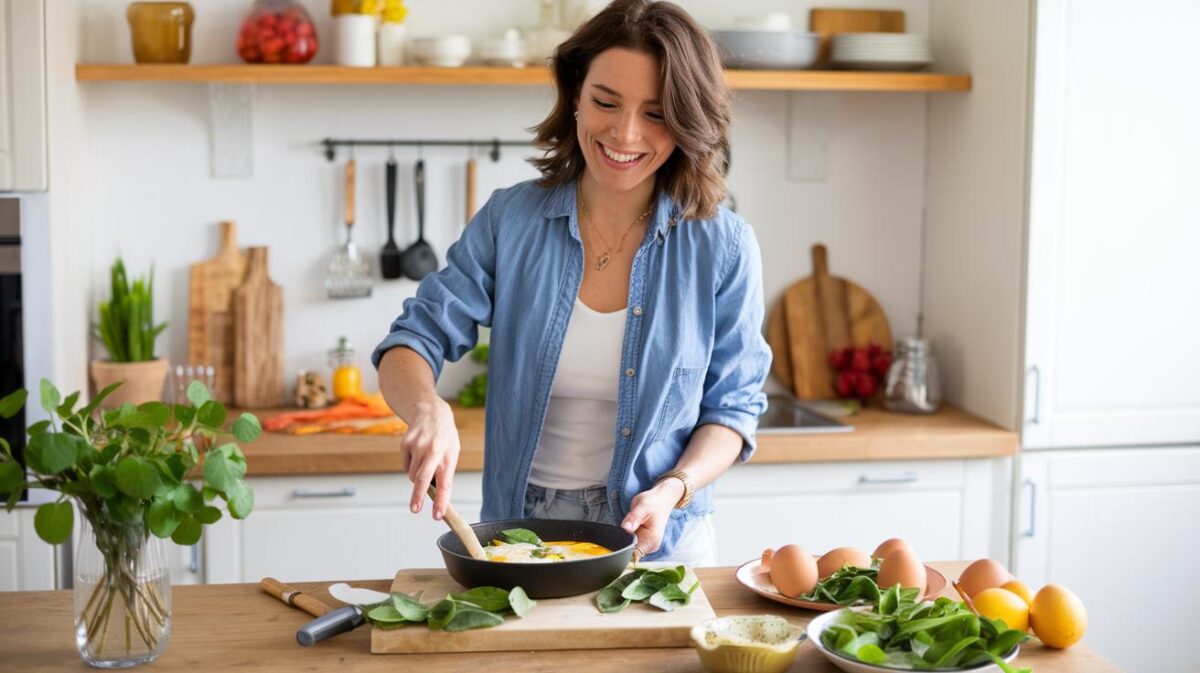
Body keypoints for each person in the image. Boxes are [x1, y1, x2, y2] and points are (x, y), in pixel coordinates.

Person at [373, 0, 771, 566]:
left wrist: (675, 488)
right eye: (605, 102)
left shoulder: (722, 245)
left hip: (659, 537)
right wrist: (427, 409)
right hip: (522, 532)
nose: (625, 132)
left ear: (688, 122)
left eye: (656, 114)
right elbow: (411, 342)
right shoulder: (510, 221)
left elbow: (732, 409)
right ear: (576, 95)